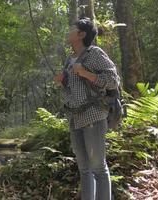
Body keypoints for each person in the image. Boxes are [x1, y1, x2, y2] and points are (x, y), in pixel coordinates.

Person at [54, 18, 120, 200]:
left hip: (94, 116)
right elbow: (73, 89)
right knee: (84, 169)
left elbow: (113, 80)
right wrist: (62, 81)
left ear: (81, 35)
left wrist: (85, 72)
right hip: (74, 119)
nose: (68, 31)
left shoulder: (95, 54)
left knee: (98, 167)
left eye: (72, 28)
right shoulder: (69, 59)